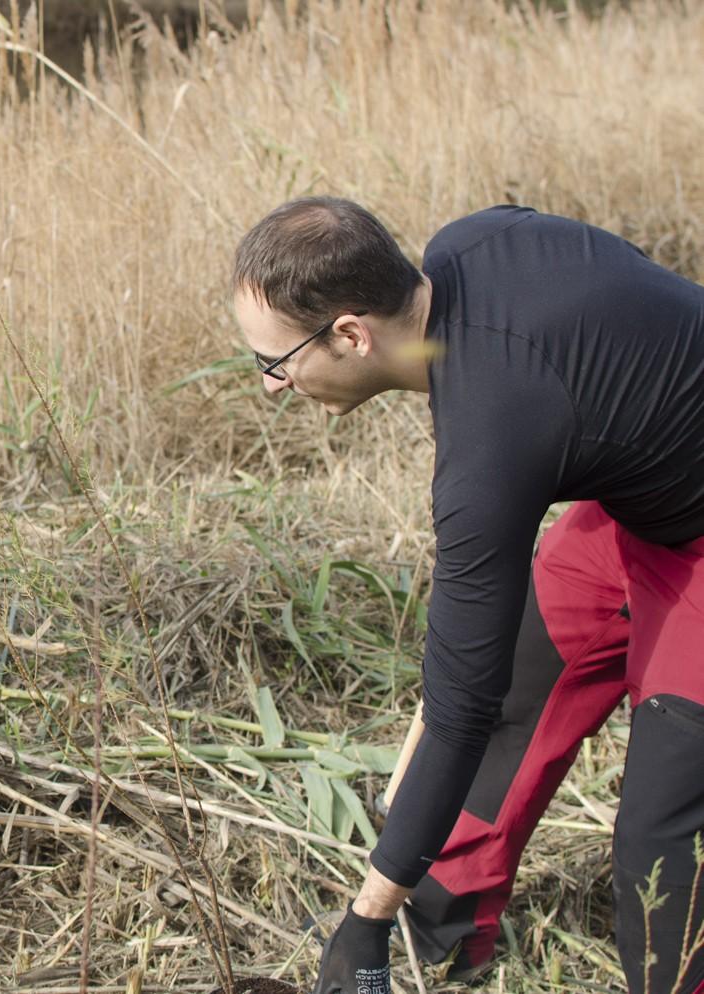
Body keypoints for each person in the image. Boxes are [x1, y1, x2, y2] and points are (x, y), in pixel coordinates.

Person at [231, 198, 704, 994]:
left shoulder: (491, 441)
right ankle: (439, 924)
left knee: (661, 841)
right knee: (517, 683)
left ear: (350, 334)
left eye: (274, 360)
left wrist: (365, 920)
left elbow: (457, 708)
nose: (274, 385)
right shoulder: (472, 243)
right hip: (644, 491)